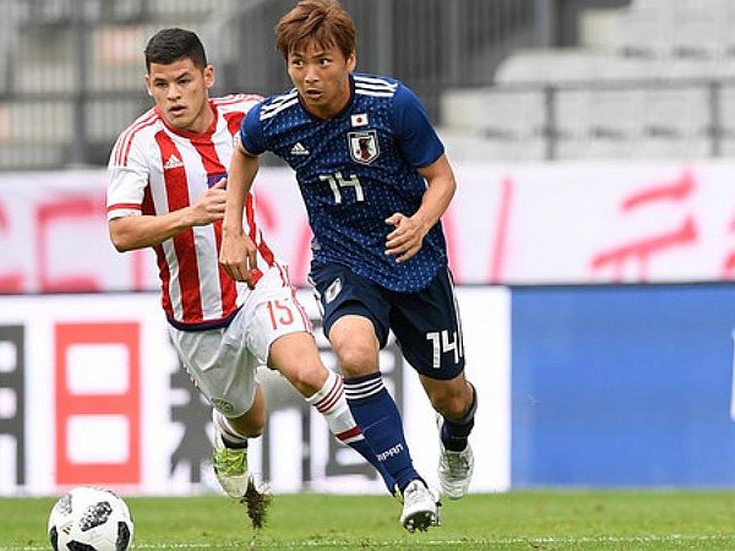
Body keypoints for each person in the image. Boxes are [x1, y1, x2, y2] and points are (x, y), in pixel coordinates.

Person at [219, 0, 477, 533]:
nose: (310, 76)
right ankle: (409, 485)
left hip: (414, 259)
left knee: (450, 395)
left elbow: (443, 179)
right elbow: (243, 151)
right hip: (344, 260)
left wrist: (421, 223)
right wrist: (233, 227)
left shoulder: (393, 105)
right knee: (355, 354)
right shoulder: (276, 117)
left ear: (349, 59)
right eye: (297, 63)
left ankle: (455, 441)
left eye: (323, 61)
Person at [106, 27, 394, 502]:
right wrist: (191, 215)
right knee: (250, 418)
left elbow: (315, 120)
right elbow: (120, 232)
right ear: (148, 85)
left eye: (184, 81)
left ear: (207, 76)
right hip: (196, 314)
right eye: (162, 85)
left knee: (309, 372)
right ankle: (230, 434)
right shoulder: (138, 145)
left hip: (256, 281)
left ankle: (400, 476)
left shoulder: (246, 114)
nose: (174, 95)